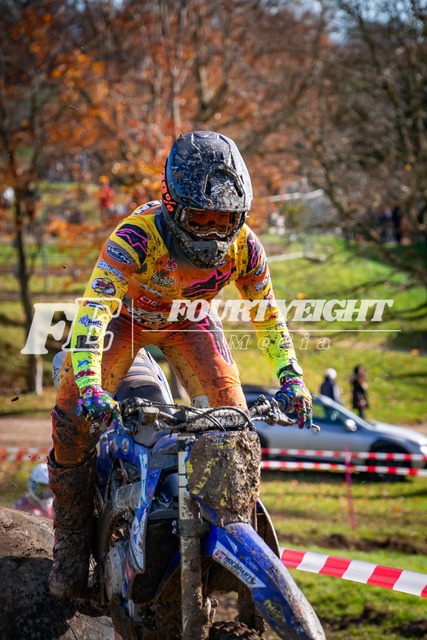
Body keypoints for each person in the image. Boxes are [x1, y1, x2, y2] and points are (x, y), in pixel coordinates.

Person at [49, 130, 313, 599]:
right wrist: (89, 384)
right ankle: (70, 545)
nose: (213, 232)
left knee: (234, 428)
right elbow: (94, 311)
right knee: (71, 417)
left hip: (189, 322)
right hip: (123, 321)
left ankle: (230, 539)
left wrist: (292, 376)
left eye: (225, 219)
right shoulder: (136, 236)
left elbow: (268, 314)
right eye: (201, 218)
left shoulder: (245, 247)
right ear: (172, 205)